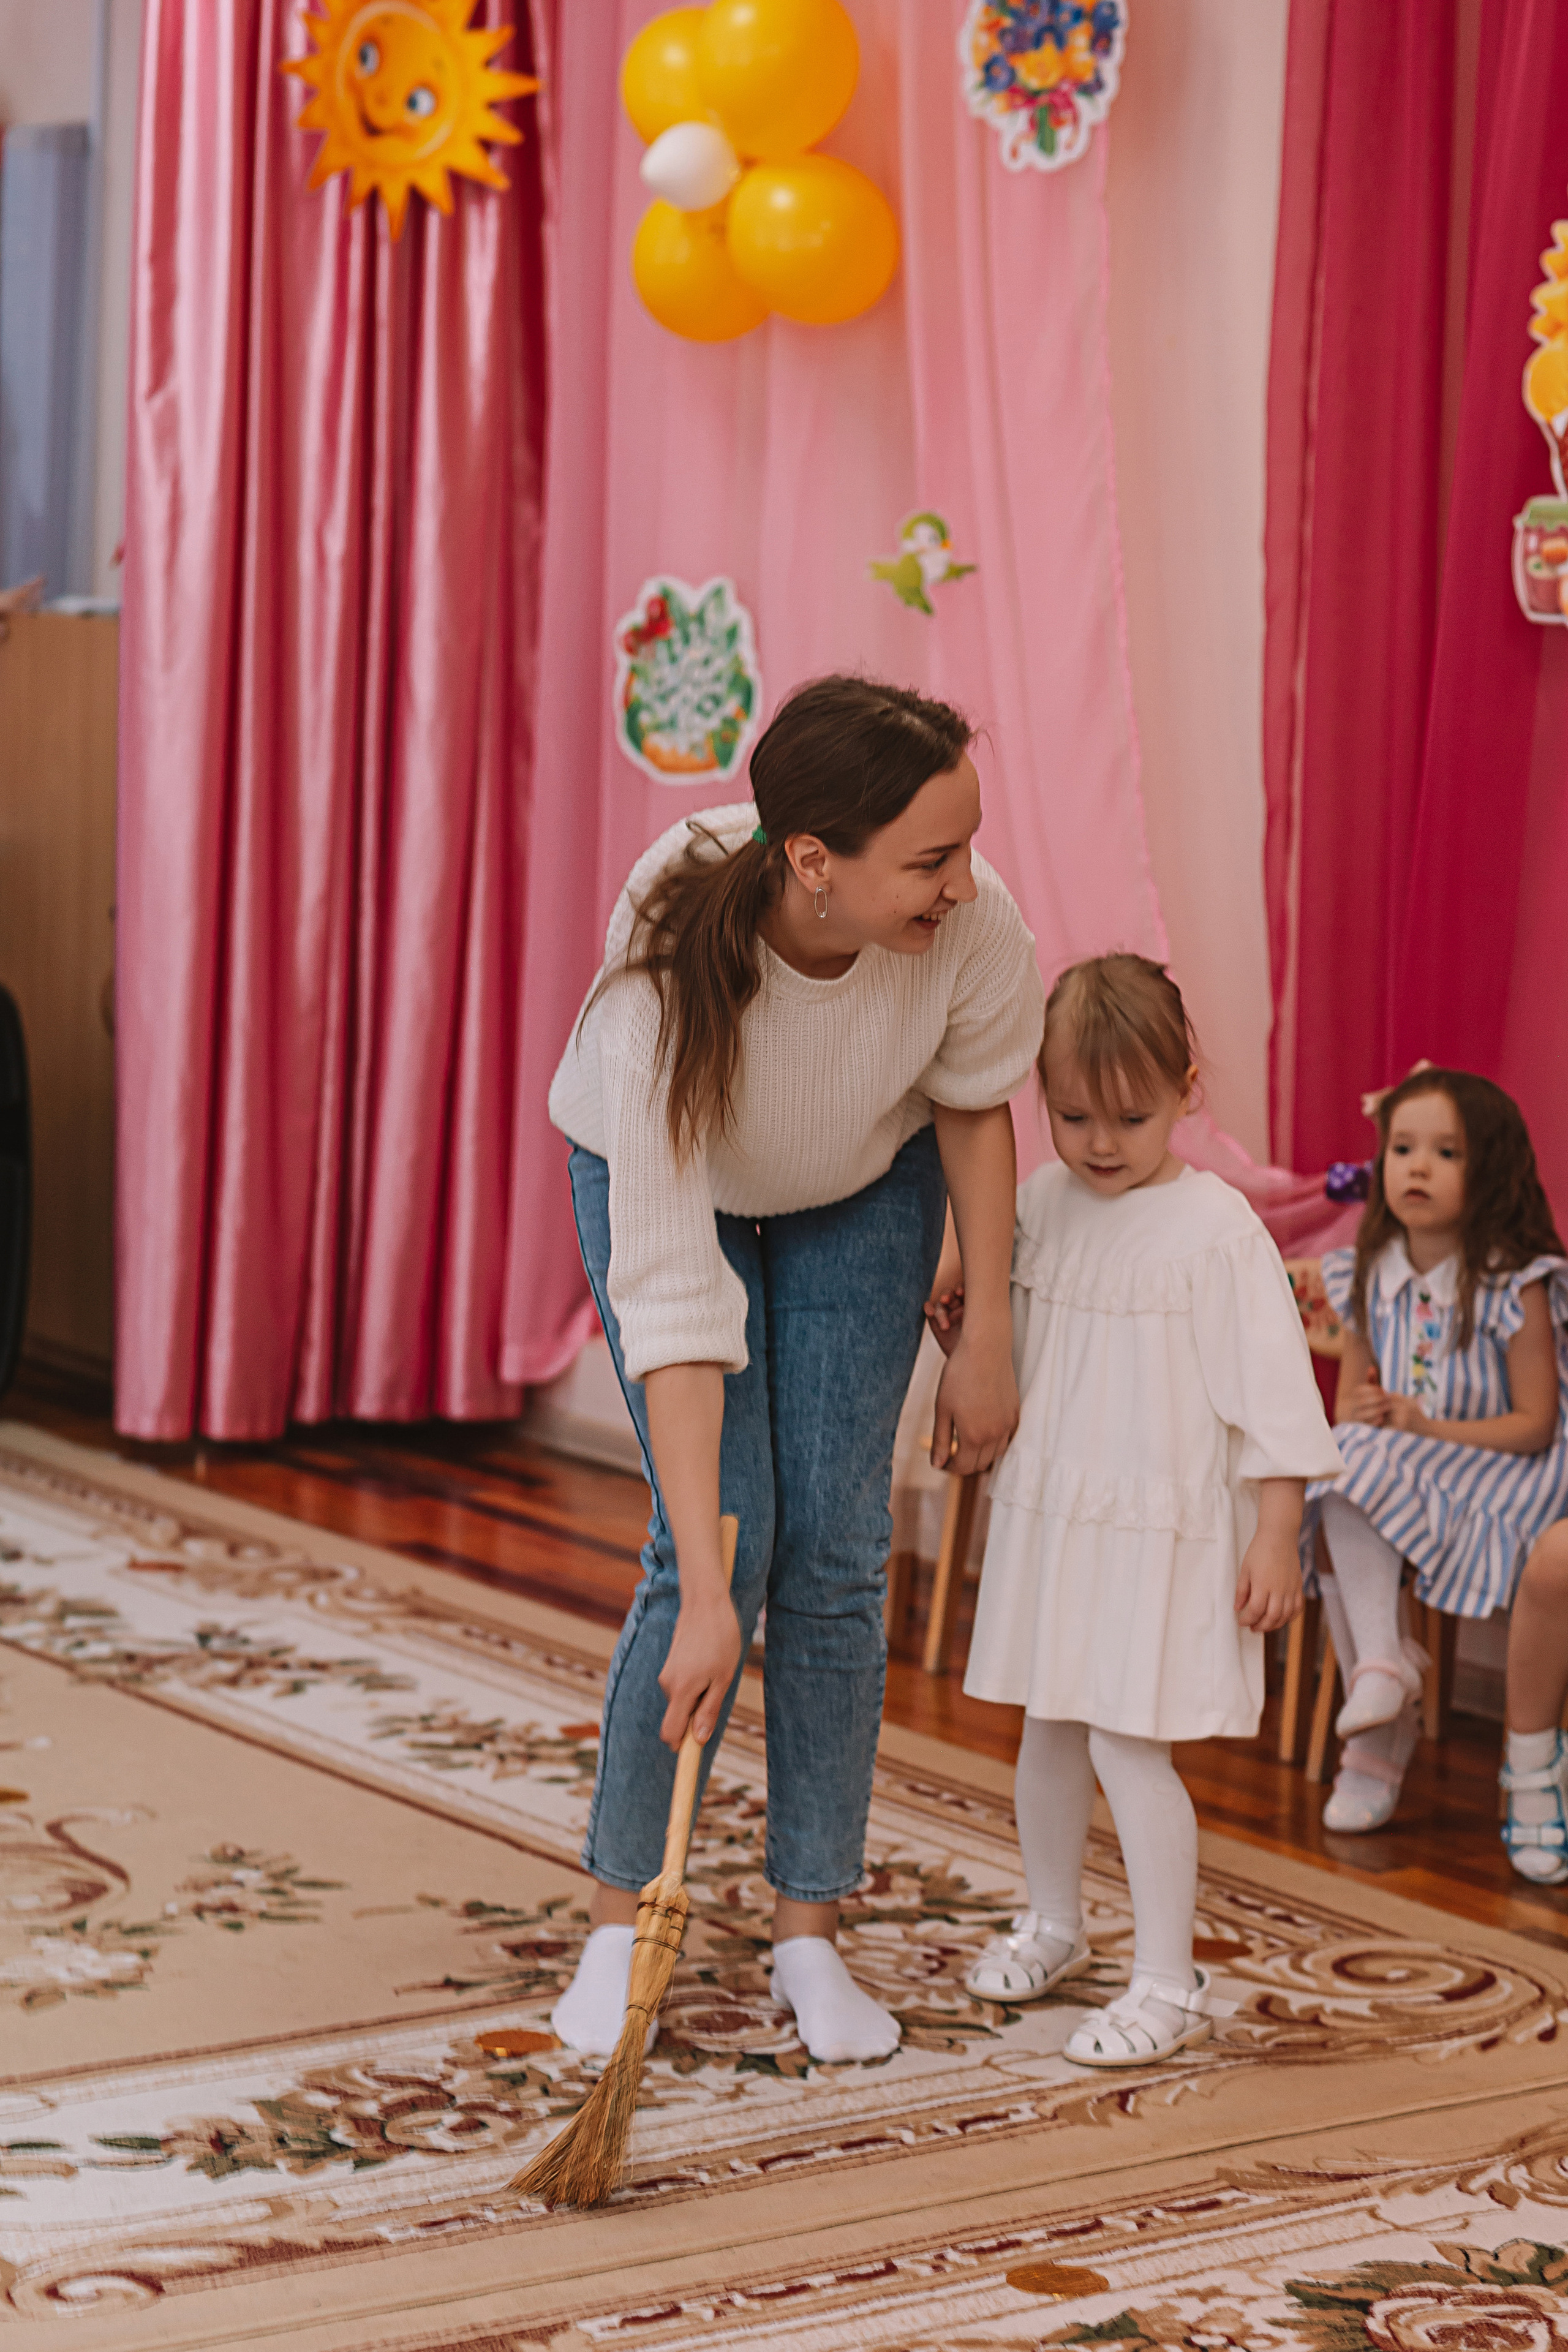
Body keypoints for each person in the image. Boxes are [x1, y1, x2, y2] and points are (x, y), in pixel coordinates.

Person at [545, 676, 1046, 2065]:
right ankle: (614, 1917)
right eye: (928, 858)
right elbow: (670, 1288)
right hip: (674, 1184)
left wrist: (986, 1331)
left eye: (967, 843)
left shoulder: (968, 924)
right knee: (720, 1535)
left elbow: (970, 1106)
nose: (962, 881)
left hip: (856, 1176)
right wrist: (712, 1595)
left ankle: (808, 1932)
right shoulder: (671, 938)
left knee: (831, 1552)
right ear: (812, 862)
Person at [930, 954, 1341, 2067]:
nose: (1101, 1143)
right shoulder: (1039, 1206)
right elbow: (995, 1334)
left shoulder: (1213, 1231)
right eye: (1071, 1116)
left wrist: (1273, 1530)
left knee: (1129, 1743)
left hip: (1159, 1533)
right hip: (1059, 1517)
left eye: (1132, 1116)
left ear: (1188, 1088)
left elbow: (1273, 1394)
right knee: (1049, 1726)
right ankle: (1053, 1921)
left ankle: (1165, 1975)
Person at [1301, 1069, 1568, 1839]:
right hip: (1408, 1469)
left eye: (1444, 1152)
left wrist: (1423, 1429)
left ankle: (1382, 1717)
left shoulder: (1513, 1286)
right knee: (1335, 1469)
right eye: (1402, 1148)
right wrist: (1373, 1415)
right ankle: (1382, 1678)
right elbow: (1351, 1409)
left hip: (1505, 1475)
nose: (1415, 1167)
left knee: (1348, 1468)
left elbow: (1536, 1427)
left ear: (1491, 1170)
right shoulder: (1367, 1273)